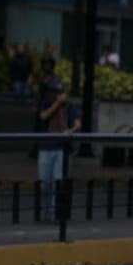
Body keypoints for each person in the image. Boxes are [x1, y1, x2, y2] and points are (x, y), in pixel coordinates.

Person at [35, 75, 80, 222]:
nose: (56, 94)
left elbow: (77, 123)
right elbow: (43, 116)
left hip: (61, 148)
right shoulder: (46, 103)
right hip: (46, 147)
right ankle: (47, 212)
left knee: (57, 180)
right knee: (45, 182)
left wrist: (71, 131)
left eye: (58, 92)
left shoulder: (69, 106)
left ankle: (55, 213)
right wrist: (56, 104)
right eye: (53, 91)